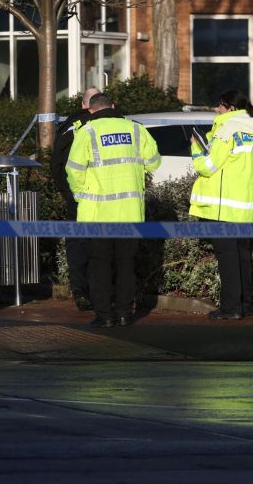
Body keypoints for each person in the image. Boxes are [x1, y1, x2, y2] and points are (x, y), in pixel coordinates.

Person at [66, 93, 160, 327]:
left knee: (99, 265)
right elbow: (154, 162)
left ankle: (105, 315)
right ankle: (125, 313)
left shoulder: (86, 132)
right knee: (126, 265)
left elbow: (74, 170)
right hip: (130, 212)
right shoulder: (136, 130)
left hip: (97, 214)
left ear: (91, 111)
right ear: (114, 106)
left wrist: (80, 195)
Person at [189, 89, 253, 320]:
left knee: (227, 258)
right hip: (248, 205)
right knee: (243, 257)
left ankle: (230, 308)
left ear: (231, 108)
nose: (218, 109)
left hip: (225, 206)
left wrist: (196, 147)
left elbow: (208, 166)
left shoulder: (227, 129)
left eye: (221, 106)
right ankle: (246, 305)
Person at [50, 86, 100, 311]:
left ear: (82, 105)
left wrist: (65, 191)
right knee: (98, 243)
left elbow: (56, 161)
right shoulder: (101, 125)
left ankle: (80, 290)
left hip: (75, 195)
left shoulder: (68, 125)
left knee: (77, 243)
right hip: (99, 194)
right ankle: (98, 291)